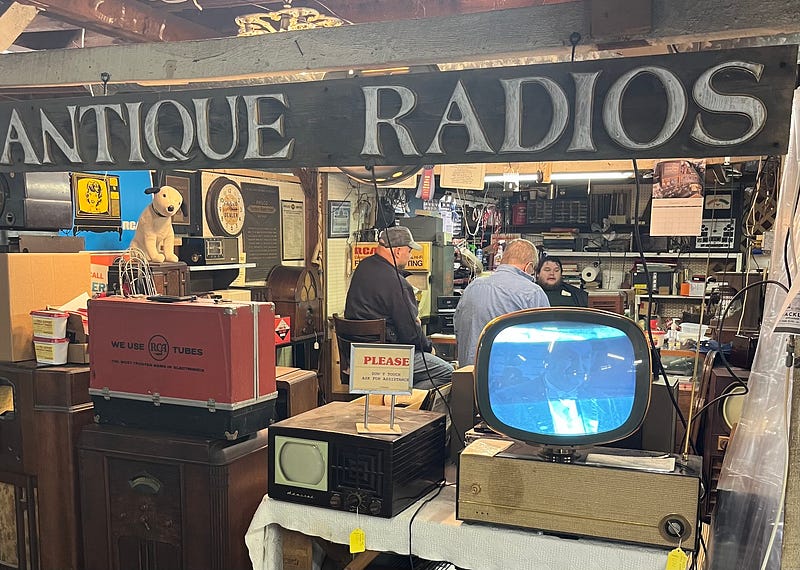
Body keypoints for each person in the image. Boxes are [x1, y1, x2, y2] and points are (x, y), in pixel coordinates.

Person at [345, 225, 453, 389]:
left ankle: (393, 396)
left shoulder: (363, 267)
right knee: (448, 372)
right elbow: (411, 334)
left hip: (357, 357)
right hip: (388, 359)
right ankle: (401, 401)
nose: (411, 255)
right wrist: (429, 348)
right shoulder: (397, 283)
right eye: (409, 251)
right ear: (398, 251)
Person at [454, 238, 549, 366]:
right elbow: (543, 343)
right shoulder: (532, 292)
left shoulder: (472, 287)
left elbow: (458, 330)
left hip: (469, 373)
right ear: (529, 267)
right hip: (510, 374)